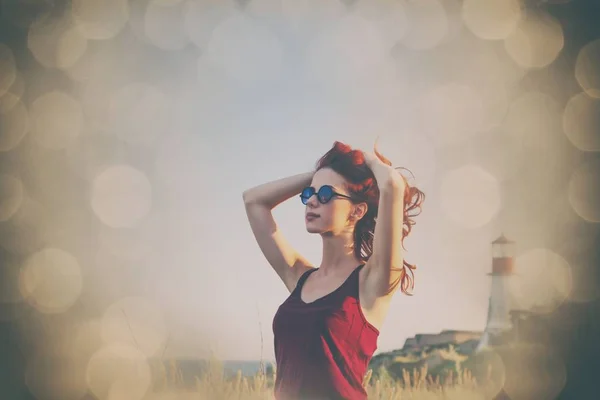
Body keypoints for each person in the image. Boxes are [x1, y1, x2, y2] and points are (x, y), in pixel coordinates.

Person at [243, 140, 425, 400]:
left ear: (357, 211)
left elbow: (392, 185)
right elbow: (253, 201)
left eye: (326, 195)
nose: (312, 201)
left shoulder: (372, 282)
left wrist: (366, 160)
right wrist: (317, 178)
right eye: (309, 194)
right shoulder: (299, 276)